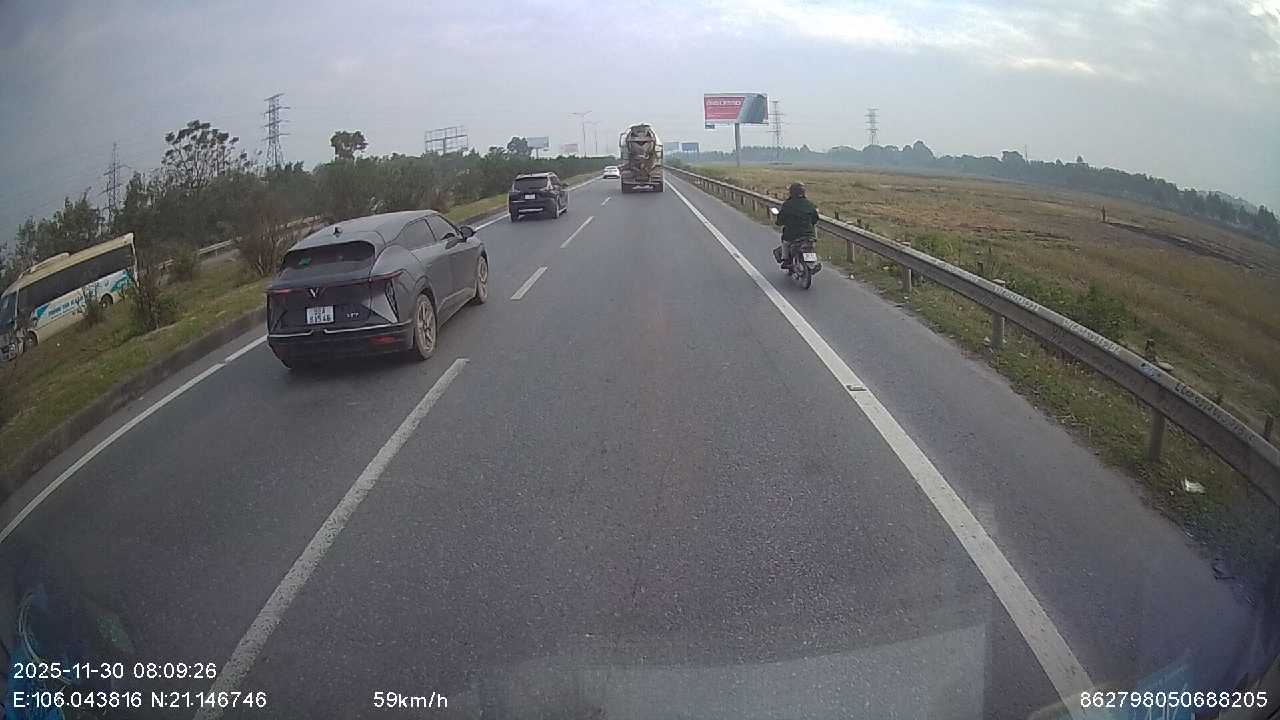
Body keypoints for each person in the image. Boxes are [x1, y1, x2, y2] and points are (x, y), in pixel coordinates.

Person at [775, 182, 818, 267]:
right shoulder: (809, 204)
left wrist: (779, 222)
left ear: (791, 192)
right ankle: (812, 262)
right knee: (810, 245)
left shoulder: (787, 204)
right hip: (808, 234)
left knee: (785, 241)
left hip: (792, 234)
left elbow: (781, 218)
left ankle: (786, 259)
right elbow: (815, 218)